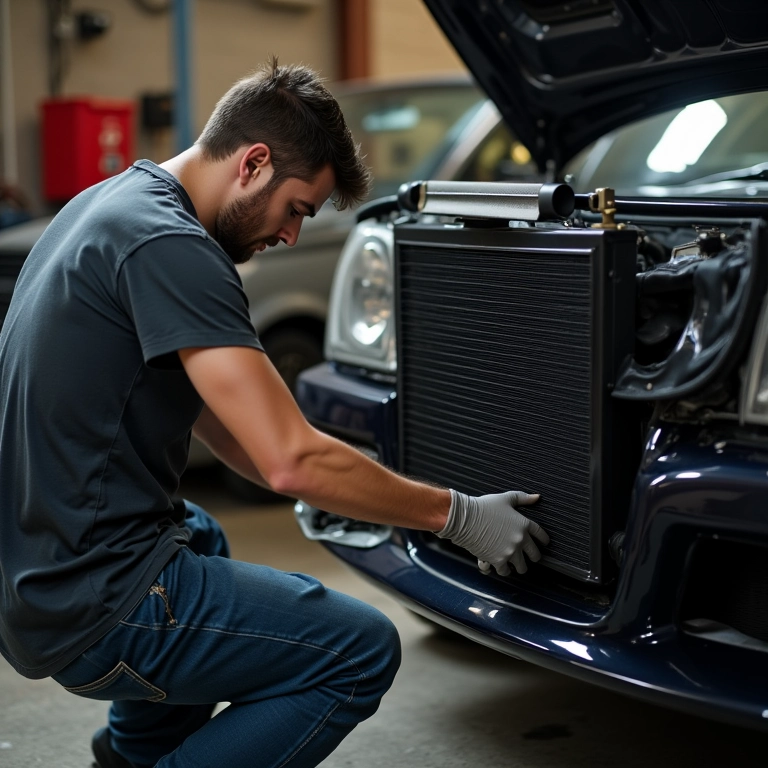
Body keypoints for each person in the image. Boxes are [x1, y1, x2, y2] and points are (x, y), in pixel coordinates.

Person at [0, 59, 549, 768]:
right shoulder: (173, 246)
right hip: (96, 600)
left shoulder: (108, 205)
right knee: (357, 650)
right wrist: (459, 515)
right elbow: (292, 459)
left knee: (202, 535)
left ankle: (132, 758)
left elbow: (240, 437)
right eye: (297, 209)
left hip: (31, 577)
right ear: (254, 163)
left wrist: (344, 491)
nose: (291, 235)